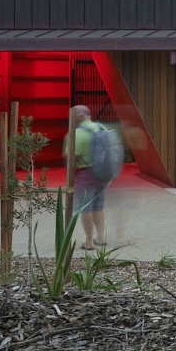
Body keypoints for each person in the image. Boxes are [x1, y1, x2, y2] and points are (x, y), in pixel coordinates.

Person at [66, 104, 114, 249]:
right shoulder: (101, 128)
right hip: (103, 173)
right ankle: (101, 237)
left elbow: (71, 158)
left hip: (86, 173)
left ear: (78, 116)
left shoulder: (77, 133)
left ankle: (89, 242)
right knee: (98, 207)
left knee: (85, 208)